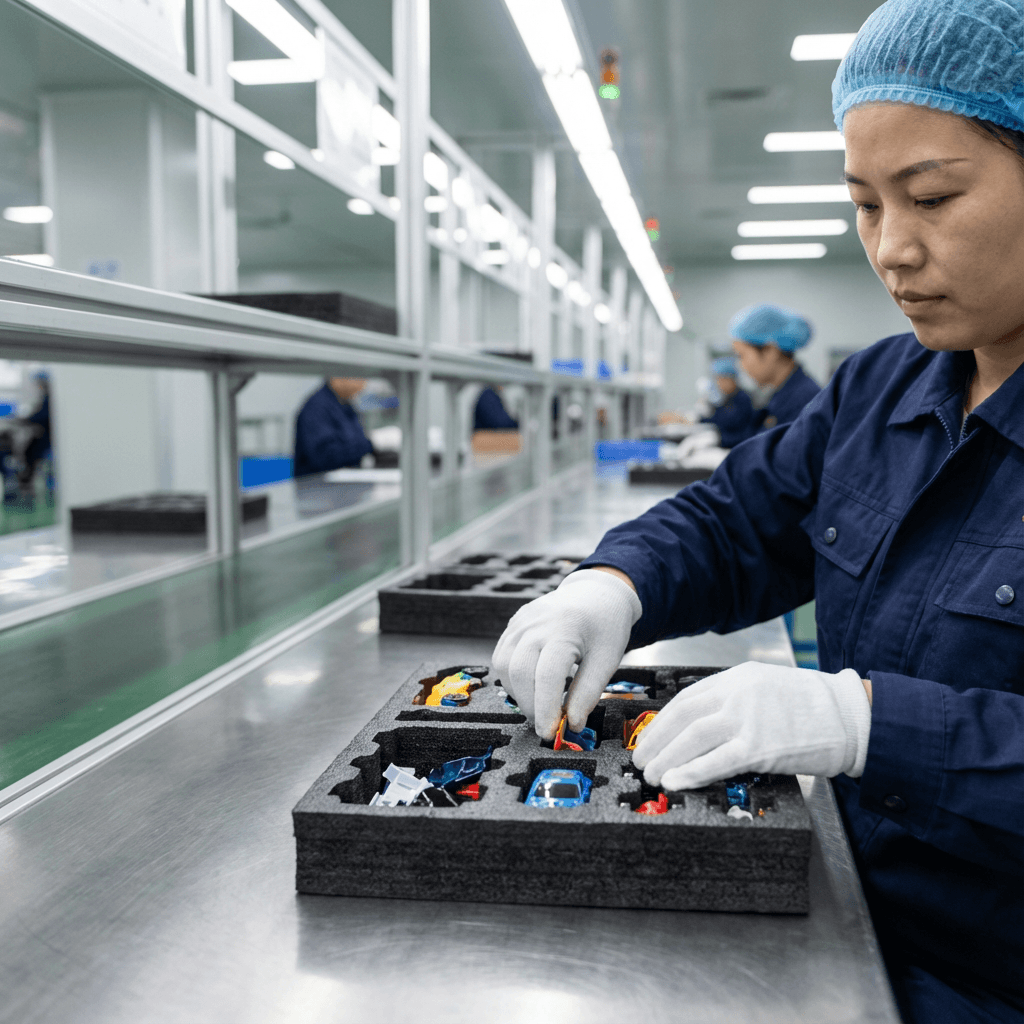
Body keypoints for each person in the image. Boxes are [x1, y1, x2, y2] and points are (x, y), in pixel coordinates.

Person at [492, 1, 1024, 1021]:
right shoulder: (881, 388)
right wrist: (612, 584)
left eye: (932, 197)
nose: (892, 250)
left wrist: (867, 725)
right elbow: (738, 518)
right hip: (844, 910)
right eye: (865, 204)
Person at [729, 303, 821, 435]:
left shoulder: (805, 400)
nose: (740, 365)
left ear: (771, 351)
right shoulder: (782, 394)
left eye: (741, 355)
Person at [293, 377, 373, 477]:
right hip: (317, 487)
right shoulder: (316, 408)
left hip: (345, 485)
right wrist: (371, 443)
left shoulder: (346, 405)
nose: (363, 383)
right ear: (338, 377)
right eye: (359, 376)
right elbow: (325, 457)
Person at [699, 356, 755, 448]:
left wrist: (718, 440)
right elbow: (717, 418)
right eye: (717, 380)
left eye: (722, 379)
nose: (719, 384)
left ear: (732, 379)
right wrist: (698, 419)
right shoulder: (728, 399)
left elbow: (743, 433)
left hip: (740, 446)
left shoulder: (743, 400)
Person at [17, 370, 51, 491]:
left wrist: (26, 420)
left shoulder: (50, 398)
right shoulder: (45, 398)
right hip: (42, 434)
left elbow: (42, 416)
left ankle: (26, 479)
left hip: (48, 438)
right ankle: (25, 478)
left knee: (30, 450)